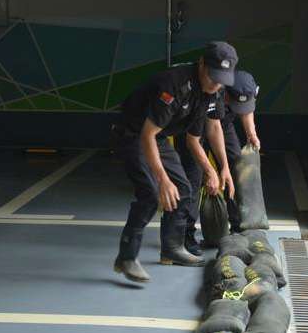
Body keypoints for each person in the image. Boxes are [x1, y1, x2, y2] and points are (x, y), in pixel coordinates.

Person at [111, 42, 238, 283]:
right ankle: (126, 257)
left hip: (156, 137)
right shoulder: (174, 84)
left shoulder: (215, 90)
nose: (216, 84)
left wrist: (222, 168)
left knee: (183, 188)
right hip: (133, 133)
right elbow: (146, 135)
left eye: (222, 80)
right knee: (150, 194)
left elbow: (207, 130)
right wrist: (162, 180)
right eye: (213, 77)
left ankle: (171, 248)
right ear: (201, 64)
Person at [176, 70, 260, 255]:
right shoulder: (210, 91)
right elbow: (200, 135)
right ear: (224, 92)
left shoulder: (245, 85)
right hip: (192, 128)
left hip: (221, 125)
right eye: (235, 103)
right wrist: (210, 171)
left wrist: (251, 134)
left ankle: (238, 226)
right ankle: (186, 234)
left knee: (237, 166)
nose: (239, 108)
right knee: (193, 177)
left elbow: (247, 109)